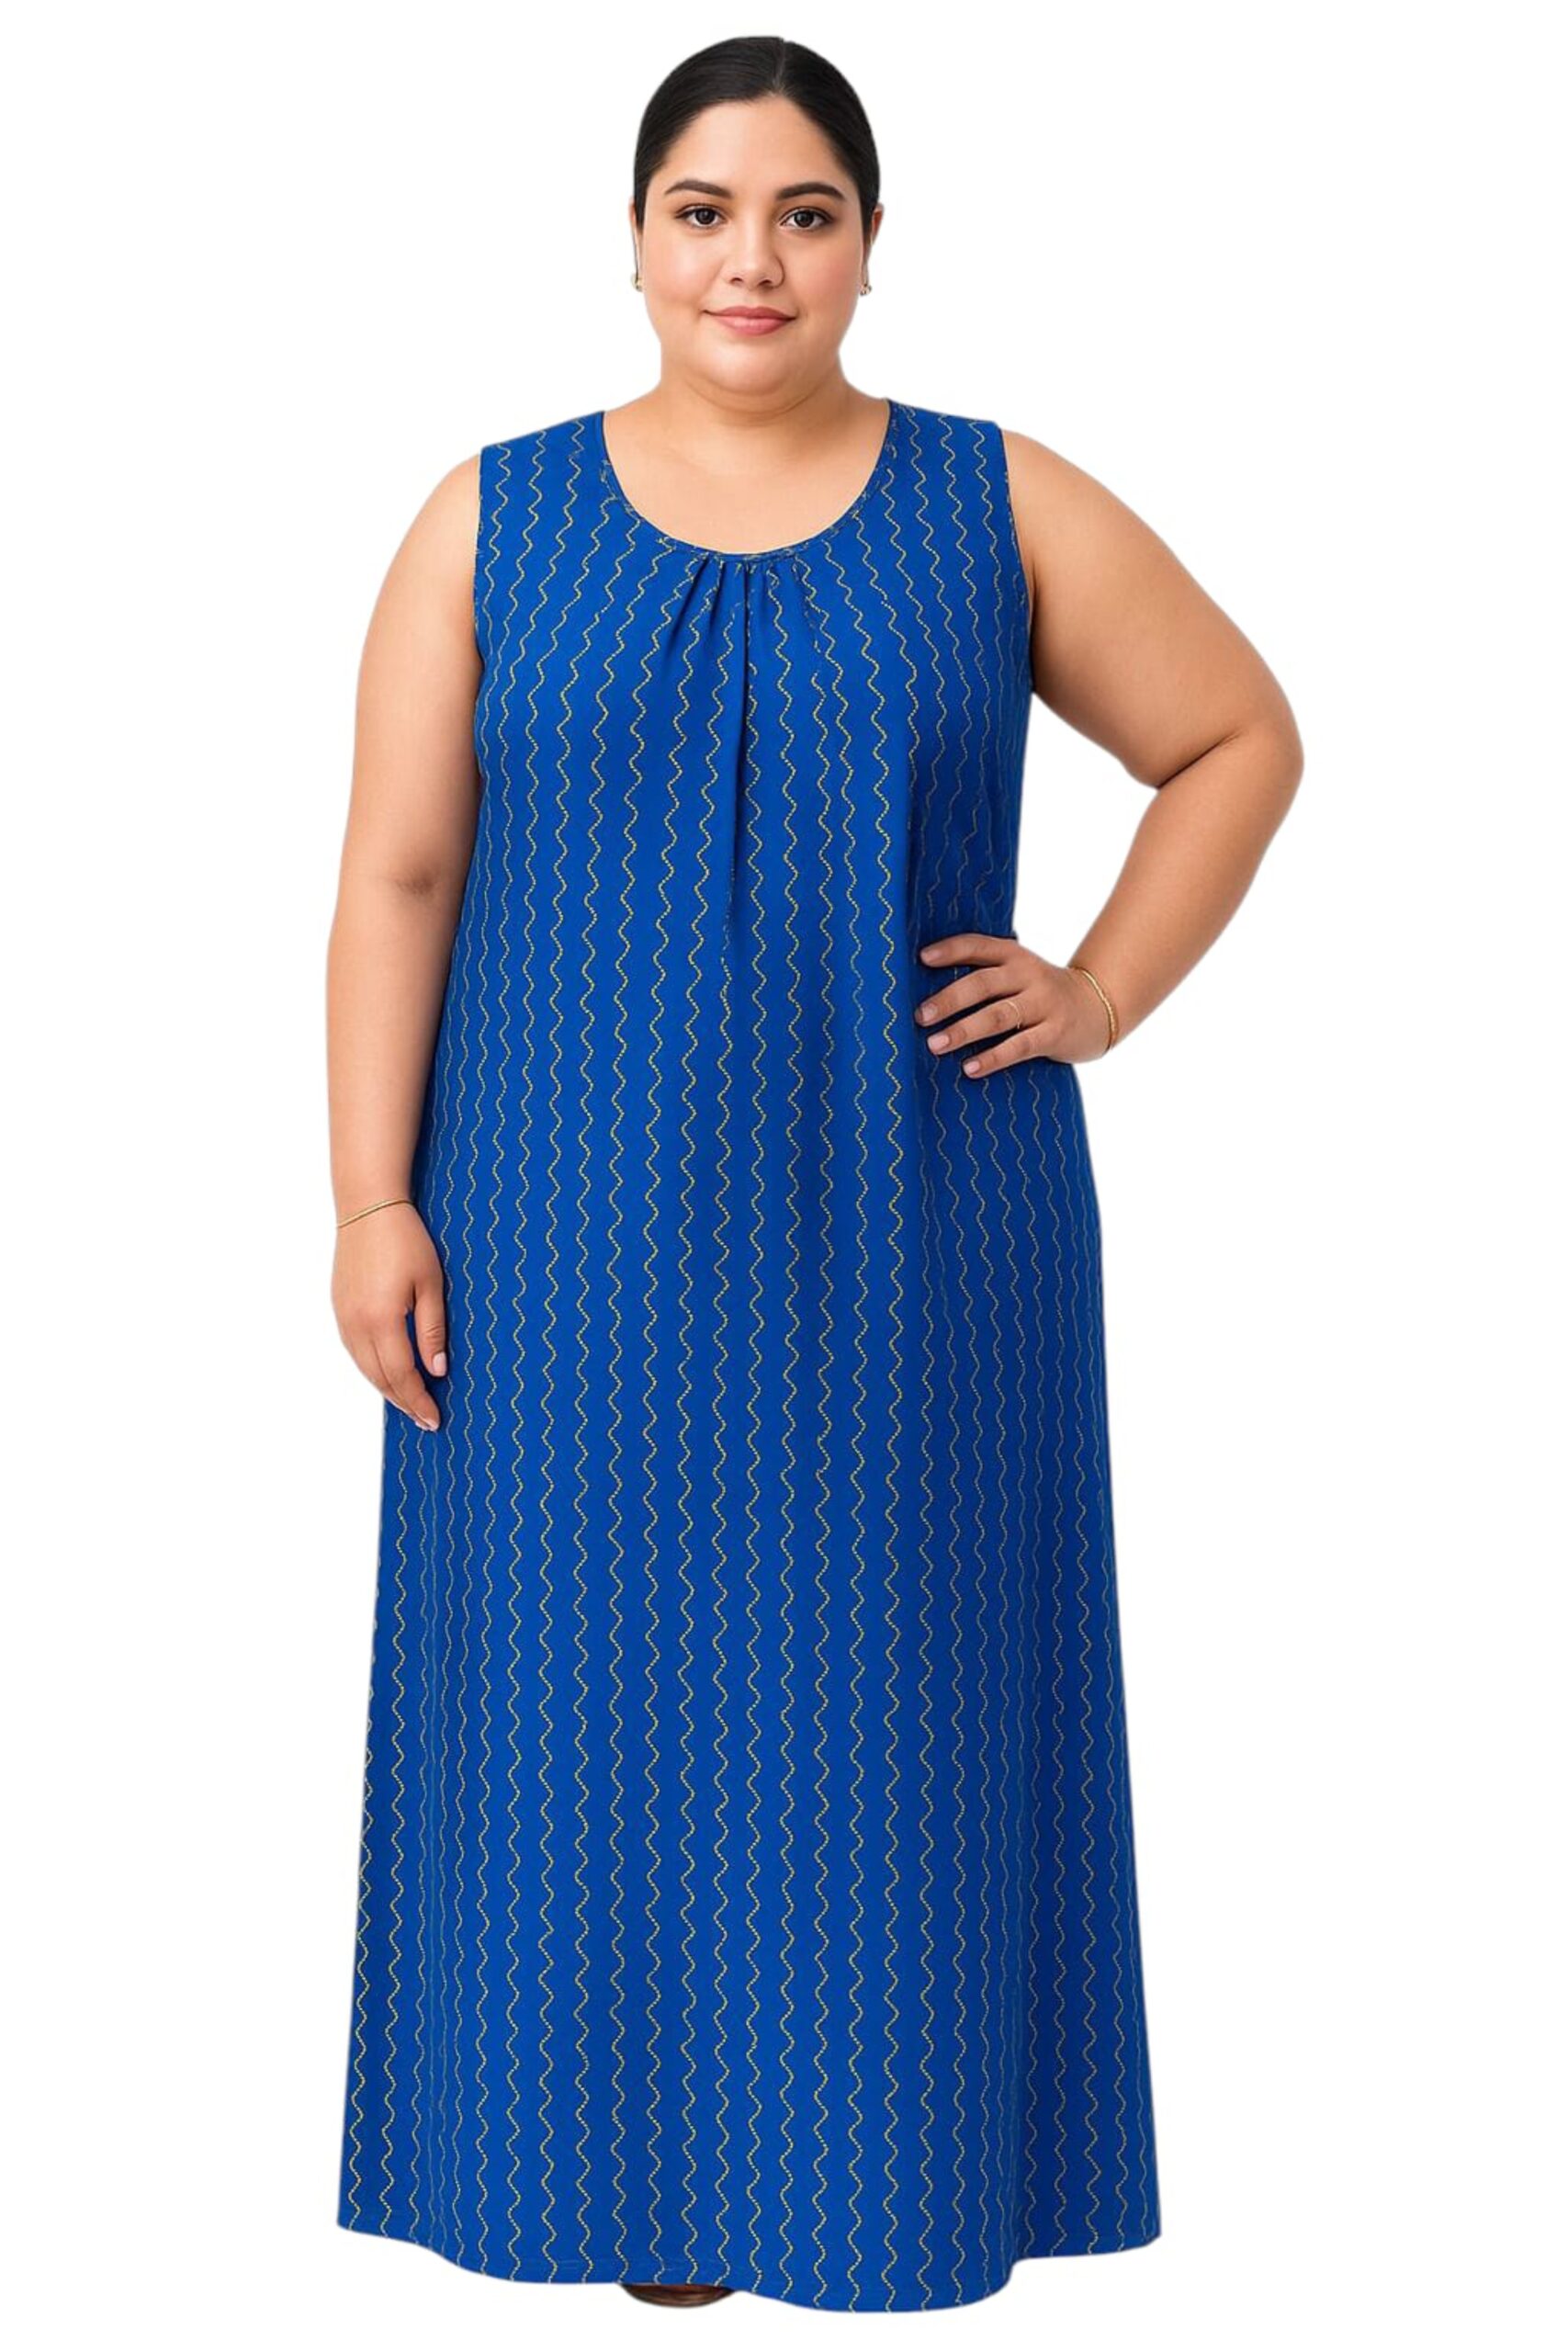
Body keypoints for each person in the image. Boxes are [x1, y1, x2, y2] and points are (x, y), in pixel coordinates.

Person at [326, 32, 1302, 2319]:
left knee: (883, 1723)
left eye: (801, 213)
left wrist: (1101, 988)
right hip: (554, 1243)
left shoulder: (993, 501)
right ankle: (623, 2212)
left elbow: (1234, 734)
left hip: (912, 1236)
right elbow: (397, 873)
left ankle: (883, 2200)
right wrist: (371, 1199)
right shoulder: (488, 517)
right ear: (631, 241)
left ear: (867, 245)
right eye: (701, 210)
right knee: (575, 1723)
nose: (747, 259)